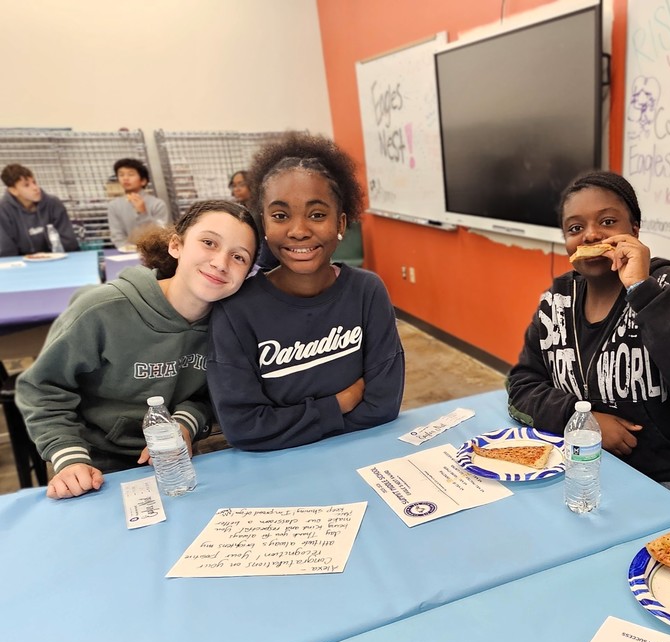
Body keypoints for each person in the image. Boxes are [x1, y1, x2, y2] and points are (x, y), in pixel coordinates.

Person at [506, 171, 670, 512]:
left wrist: (642, 291)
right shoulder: (558, 298)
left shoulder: (667, 285)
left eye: (607, 221)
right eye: (575, 228)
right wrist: (582, 419)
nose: (590, 234)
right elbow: (521, 386)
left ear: (634, 230)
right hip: (584, 466)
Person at [15, 200, 258, 500]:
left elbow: (212, 395)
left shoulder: (230, 325)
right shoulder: (102, 310)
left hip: (179, 462)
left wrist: (184, 424)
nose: (221, 263)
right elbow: (41, 387)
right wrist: (69, 459)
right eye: (208, 243)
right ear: (176, 245)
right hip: (96, 467)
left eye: (239, 257)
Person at [207, 132, 404, 451]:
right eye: (281, 216)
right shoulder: (236, 310)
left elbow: (382, 406)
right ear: (264, 225)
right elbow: (244, 428)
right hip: (278, 472)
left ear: (341, 224)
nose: (298, 231)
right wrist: (340, 402)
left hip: (364, 451)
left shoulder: (367, 292)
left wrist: (285, 423)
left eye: (316, 214)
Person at [0, 164, 80, 256]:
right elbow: (6, 249)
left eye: (34, 182)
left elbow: (69, 242)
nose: (35, 188)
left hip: (58, 258)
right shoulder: (3, 210)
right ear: (13, 191)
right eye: (26, 185)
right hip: (22, 262)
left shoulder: (53, 203)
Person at [107, 158, 169, 250]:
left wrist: (143, 213)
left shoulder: (158, 204)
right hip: (126, 253)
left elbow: (160, 234)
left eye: (130, 174)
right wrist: (127, 249)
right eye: (121, 175)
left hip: (155, 253)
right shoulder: (114, 205)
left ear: (143, 180)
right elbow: (117, 235)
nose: (125, 178)